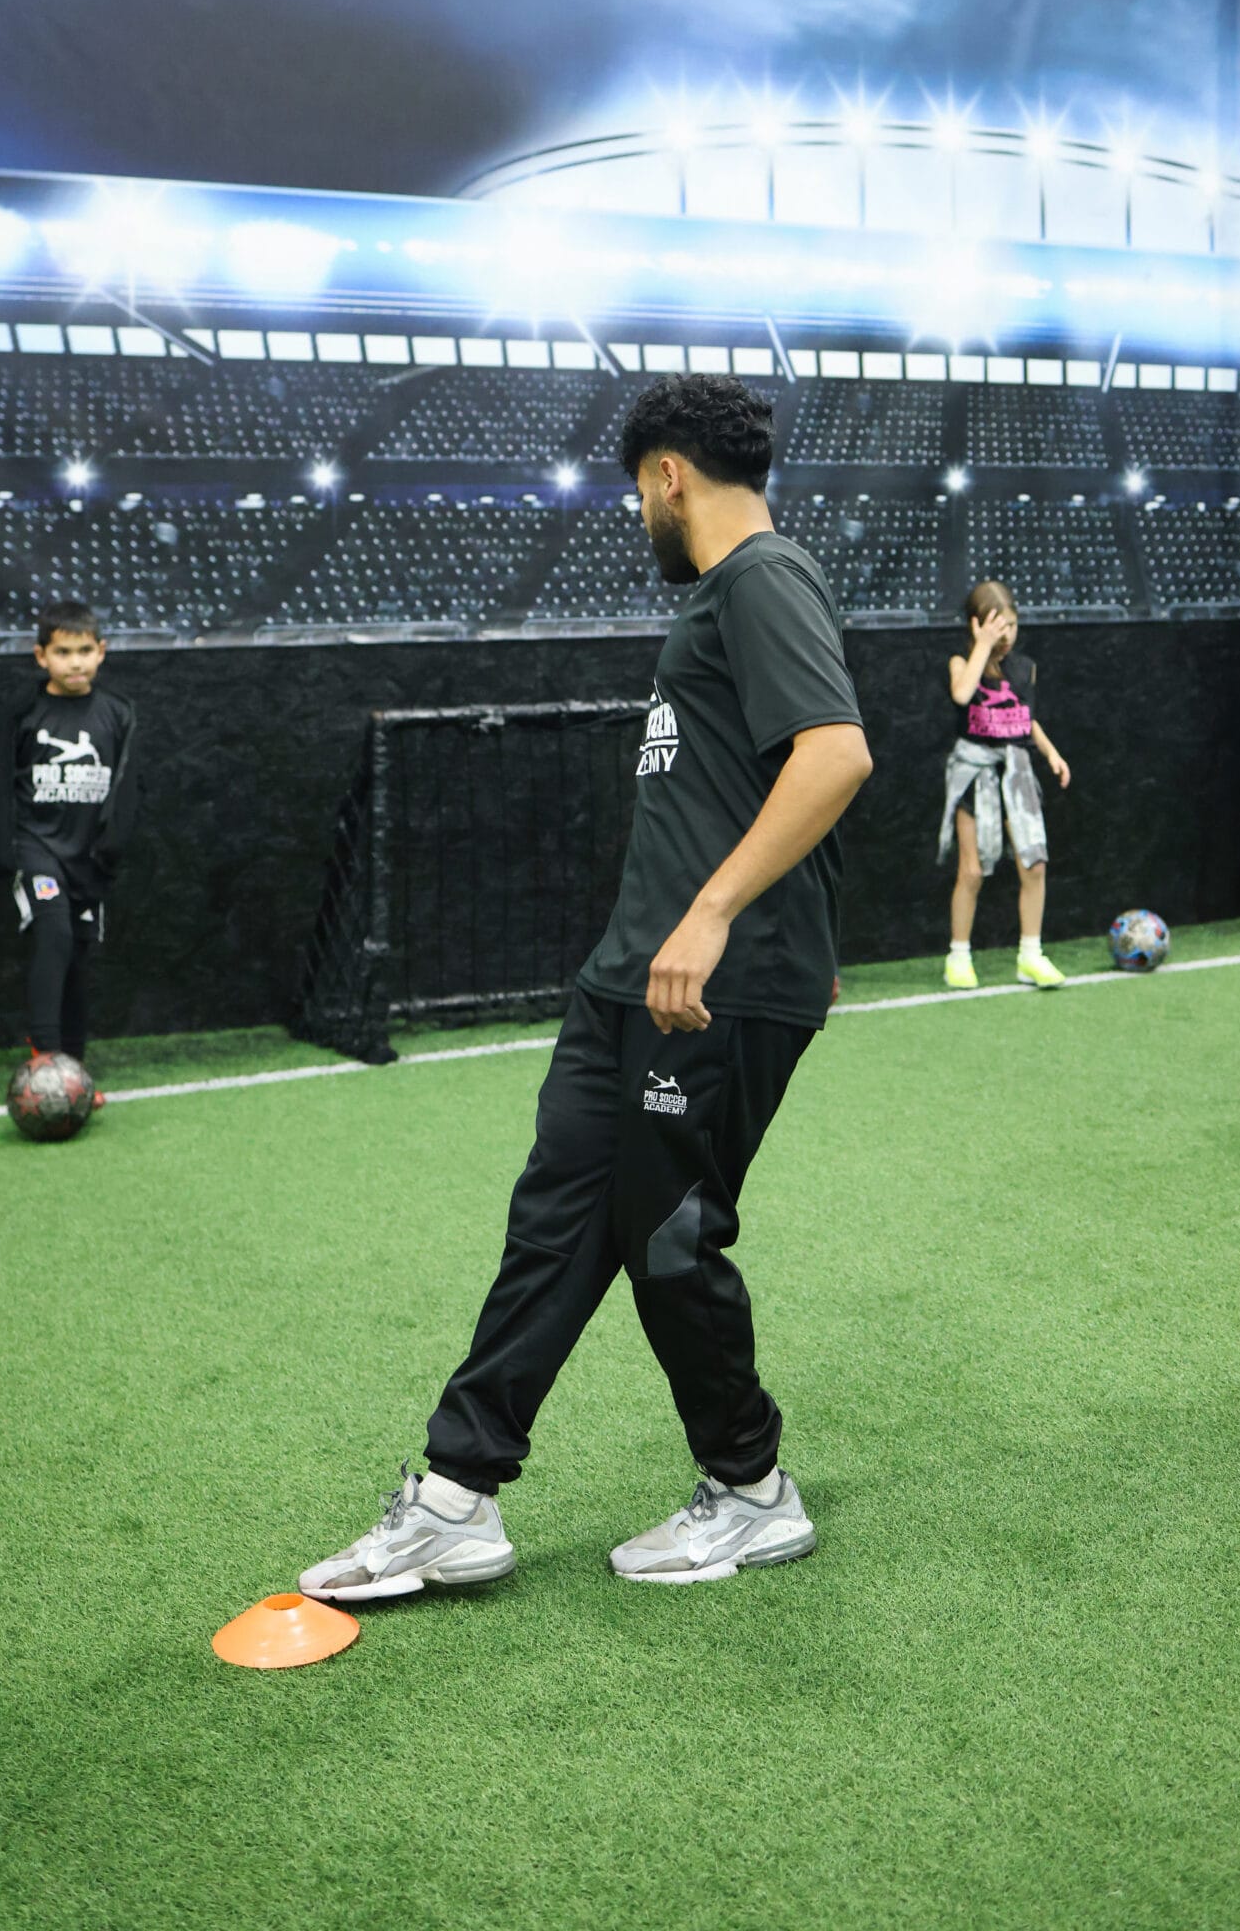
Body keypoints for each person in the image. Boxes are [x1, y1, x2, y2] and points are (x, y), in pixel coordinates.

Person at [300, 375, 872, 1597]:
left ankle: (753, 1489)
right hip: (633, 979)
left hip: (709, 987)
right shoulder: (725, 598)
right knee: (554, 1225)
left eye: (635, 496)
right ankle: (456, 1495)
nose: (637, 518)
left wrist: (722, 919)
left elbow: (835, 756)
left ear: (668, 474)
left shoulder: (764, 576)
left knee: (668, 1242)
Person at [0, 603, 138, 1074]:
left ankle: (73, 1070)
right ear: (40, 656)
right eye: (63, 651)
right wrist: (2, 850)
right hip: (37, 849)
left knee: (76, 957)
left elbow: (127, 789)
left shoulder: (118, 713)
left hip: (87, 859)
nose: (76, 661)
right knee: (54, 933)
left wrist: (109, 853)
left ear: (102, 652)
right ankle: (45, 1060)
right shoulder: (24, 714)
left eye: (85, 650)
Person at [938, 580, 1071, 992]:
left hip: (1016, 770)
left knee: (1034, 862)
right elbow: (961, 694)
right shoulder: (962, 662)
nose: (1007, 636)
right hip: (975, 773)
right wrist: (983, 645)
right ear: (977, 626)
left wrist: (1051, 753)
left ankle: (1030, 954)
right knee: (972, 870)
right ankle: (958, 956)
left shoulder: (1024, 666)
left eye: (1012, 626)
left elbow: (1025, 718)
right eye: (998, 627)